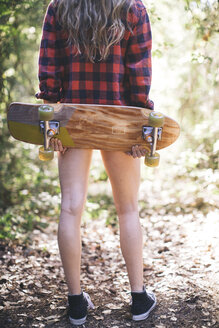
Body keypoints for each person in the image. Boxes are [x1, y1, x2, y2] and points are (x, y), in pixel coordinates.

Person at [36, 0, 156, 325]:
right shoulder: (133, 8)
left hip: (72, 118)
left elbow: (50, 67)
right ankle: (139, 298)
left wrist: (52, 121)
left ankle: (76, 304)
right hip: (119, 119)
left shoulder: (59, 6)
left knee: (70, 208)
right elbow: (139, 72)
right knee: (128, 208)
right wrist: (138, 123)